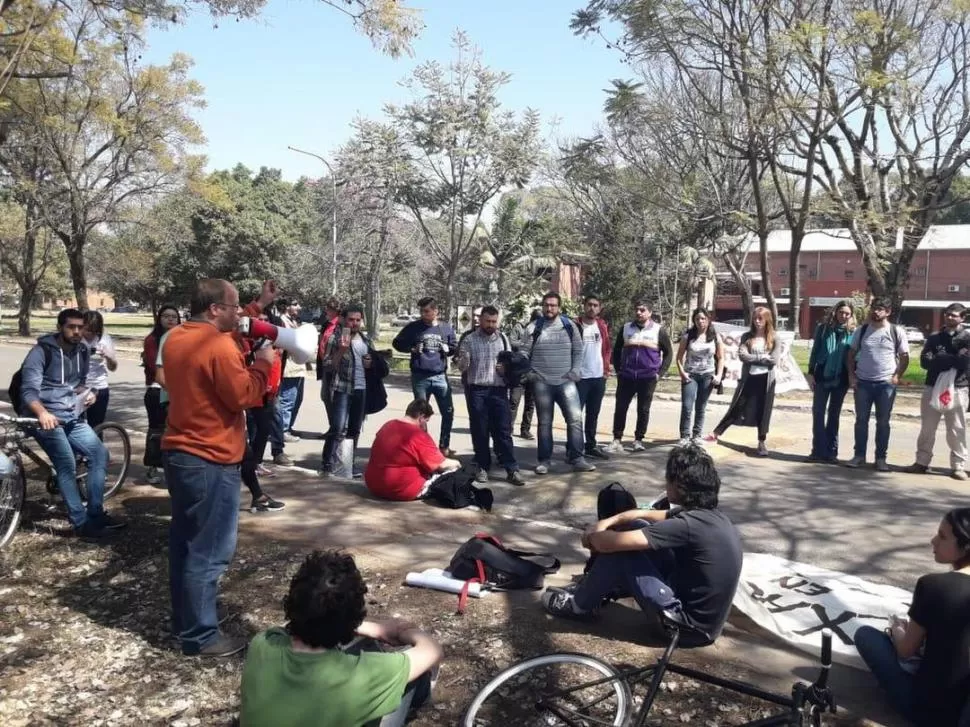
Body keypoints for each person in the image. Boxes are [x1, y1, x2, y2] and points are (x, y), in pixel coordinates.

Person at [162, 278, 275, 657]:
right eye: (234, 306)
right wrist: (263, 364)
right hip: (211, 458)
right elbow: (242, 395)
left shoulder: (177, 337)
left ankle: (186, 620)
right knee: (209, 551)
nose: (240, 312)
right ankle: (200, 636)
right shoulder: (218, 345)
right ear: (214, 309)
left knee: (184, 543)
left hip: (180, 452)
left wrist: (260, 306)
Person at [541, 445, 742, 645]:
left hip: (684, 629)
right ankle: (600, 587)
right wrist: (608, 522)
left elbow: (610, 545)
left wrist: (591, 537)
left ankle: (578, 606)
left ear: (679, 486)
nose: (666, 485)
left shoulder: (688, 525)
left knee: (621, 552)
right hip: (701, 622)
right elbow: (641, 514)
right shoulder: (710, 517)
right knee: (636, 526)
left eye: (667, 480)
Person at [241, 549, 443, 726]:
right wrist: (399, 630)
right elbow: (432, 650)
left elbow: (291, 626)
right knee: (414, 677)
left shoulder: (263, 644)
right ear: (353, 617)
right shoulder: (364, 675)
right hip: (362, 670)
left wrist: (368, 628)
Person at [854, 508, 970, 727]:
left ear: (965, 547)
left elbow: (906, 650)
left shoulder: (933, 585)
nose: (933, 541)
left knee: (865, 636)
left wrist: (897, 632)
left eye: (943, 537)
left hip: (930, 711)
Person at [20, 309, 124, 539]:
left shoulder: (83, 351)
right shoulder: (40, 352)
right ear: (60, 327)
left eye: (80, 327)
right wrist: (43, 414)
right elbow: (28, 391)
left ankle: (96, 514)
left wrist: (92, 392)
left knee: (99, 455)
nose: (77, 331)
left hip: (70, 415)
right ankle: (81, 523)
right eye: (71, 327)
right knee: (66, 463)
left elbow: (78, 384)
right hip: (44, 417)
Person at [521, 292, 594, 475]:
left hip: (566, 382)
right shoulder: (533, 328)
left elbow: (578, 350)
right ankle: (544, 460)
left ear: (559, 307)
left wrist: (576, 370)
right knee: (545, 423)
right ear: (542, 306)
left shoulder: (569, 326)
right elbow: (523, 354)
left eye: (553, 305)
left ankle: (577, 458)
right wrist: (530, 374)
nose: (549, 308)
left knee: (575, 420)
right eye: (546, 305)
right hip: (541, 383)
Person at [456, 305, 526, 485]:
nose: (490, 325)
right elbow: (462, 367)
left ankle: (511, 468)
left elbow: (510, 362)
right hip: (477, 390)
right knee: (480, 430)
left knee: (503, 431)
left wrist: (505, 369)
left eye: (494, 321)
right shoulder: (469, 339)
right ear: (480, 320)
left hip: (499, 390)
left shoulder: (502, 339)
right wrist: (463, 360)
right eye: (487, 321)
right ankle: (482, 466)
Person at [906, 303, 970, 481]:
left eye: (954, 315)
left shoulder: (967, 338)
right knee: (927, 428)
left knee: (957, 429)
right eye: (948, 314)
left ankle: (958, 466)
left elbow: (965, 364)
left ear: (962, 318)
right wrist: (953, 358)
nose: (950, 317)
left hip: (958, 387)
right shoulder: (934, 338)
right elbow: (925, 363)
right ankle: (922, 462)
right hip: (932, 386)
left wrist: (942, 358)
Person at [706, 306, 780, 456]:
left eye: (760, 318)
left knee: (763, 411)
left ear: (767, 320)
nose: (757, 321)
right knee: (737, 406)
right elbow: (743, 356)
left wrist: (758, 359)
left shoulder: (774, 337)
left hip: (766, 381)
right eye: (755, 318)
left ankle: (761, 442)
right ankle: (716, 433)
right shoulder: (747, 337)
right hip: (749, 379)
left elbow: (773, 360)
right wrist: (761, 358)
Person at [847, 297, 909, 471]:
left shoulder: (897, 332)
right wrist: (852, 377)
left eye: (880, 309)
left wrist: (897, 376)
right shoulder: (862, 330)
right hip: (863, 384)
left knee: (883, 422)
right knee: (861, 421)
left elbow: (904, 357)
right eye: (874, 308)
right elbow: (851, 354)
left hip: (885, 385)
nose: (876, 311)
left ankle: (881, 458)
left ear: (888, 312)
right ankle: (859, 456)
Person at [392, 297, 458, 457]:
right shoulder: (414, 328)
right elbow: (397, 343)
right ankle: (425, 448)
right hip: (420, 376)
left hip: (439, 376)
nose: (423, 314)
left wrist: (448, 349)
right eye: (421, 311)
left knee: (448, 412)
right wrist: (412, 349)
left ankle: (444, 446)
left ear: (436, 311)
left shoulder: (446, 328)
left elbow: (454, 347)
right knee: (421, 414)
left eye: (427, 311)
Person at [607, 299, 673, 453]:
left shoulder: (658, 330)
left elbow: (668, 353)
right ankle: (617, 439)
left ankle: (638, 440)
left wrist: (659, 373)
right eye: (637, 309)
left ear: (649, 312)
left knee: (643, 409)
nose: (639, 312)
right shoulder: (626, 329)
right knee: (620, 408)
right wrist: (619, 370)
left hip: (648, 377)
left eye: (642, 310)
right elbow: (616, 351)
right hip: (627, 376)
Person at [320, 304, 379, 476]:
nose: (354, 323)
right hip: (342, 388)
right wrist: (341, 351)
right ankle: (327, 464)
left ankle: (346, 465)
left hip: (361, 388)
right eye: (351, 319)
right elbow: (327, 366)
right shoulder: (335, 338)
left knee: (354, 429)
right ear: (344, 320)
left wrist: (371, 363)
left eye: (357, 320)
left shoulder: (365, 339)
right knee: (338, 428)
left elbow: (373, 363)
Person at [364, 399, 463, 501]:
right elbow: (442, 464)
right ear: (421, 417)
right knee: (454, 470)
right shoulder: (417, 435)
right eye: (426, 421)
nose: (426, 425)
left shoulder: (388, 425)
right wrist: (458, 464)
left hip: (373, 483)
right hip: (400, 489)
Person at [806, 301, 855, 463]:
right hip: (822, 376)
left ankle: (831, 452)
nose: (844, 316)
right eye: (841, 312)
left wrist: (852, 376)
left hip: (841, 379)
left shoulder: (854, 333)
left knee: (834, 415)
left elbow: (856, 356)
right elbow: (815, 352)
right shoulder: (823, 329)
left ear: (851, 315)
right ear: (835, 312)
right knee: (818, 413)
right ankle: (817, 451)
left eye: (847, 313)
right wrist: (811, 373)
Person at [142, 305, 180, 485]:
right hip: (157, 390)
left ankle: (169, 467)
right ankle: (152, 466)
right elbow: (153, 365)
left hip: (176, 391)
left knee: (171, 431)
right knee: (156, 430)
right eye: (166, 316)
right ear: (159, 319)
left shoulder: (182, 338)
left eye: (174, 317)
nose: (171, 320)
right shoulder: (152, 340)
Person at [675, 307, 724, 446]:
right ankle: (685, 436)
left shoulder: (715, 336)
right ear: (694, 321)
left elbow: (721, 358)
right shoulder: (688, 336)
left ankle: (697, 435)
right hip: (690, 375)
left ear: (708, 320)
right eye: (697, 319)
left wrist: (719, 375)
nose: (700, 322)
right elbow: (679, 358)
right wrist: (682, 373)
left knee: (701, 406)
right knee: (687, 406)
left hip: (707, 375)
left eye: (703, 318)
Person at [574, 295, 612, 460]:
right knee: (575, 416)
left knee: (593, 414)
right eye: (589, 305)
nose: (592, 308)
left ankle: (590, 446)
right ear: (584, 306)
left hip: (598, 377)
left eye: (595, 305)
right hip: (580, 378)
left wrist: (605, 371)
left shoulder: (601, 326)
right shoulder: (575, 325)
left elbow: (607, 349)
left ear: (599, 308)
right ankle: (573, 448)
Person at [80, 310, 117, 428]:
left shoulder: (104, 339)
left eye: (95, 331)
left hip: (99, 387)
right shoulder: (76, 338)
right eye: (87, 329)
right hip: (78, 388)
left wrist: (109, 357)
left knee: (97, 427)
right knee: (75, 427)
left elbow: (113, 367)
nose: (91, 334)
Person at [277, 298, 306, 442]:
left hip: (298, 366)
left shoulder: (294, 321)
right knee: (288, 399)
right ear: (286, 306)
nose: (298, 307)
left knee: (297, 399)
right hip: (289, 368)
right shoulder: (282, 321)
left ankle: (288, 426)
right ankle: (282, 430)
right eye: (295, 304)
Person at [509, 309, 539, 440]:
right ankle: (508, 428)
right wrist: (525, 344)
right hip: (519, 371)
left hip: (534, 371)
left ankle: (525, 429)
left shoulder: (542, 331)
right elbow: (511, 342)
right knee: (514, 401)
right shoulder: (520, 327)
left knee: (530, 403)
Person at [316, 296, 343, 427]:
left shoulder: (340, 325)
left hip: (335, 366)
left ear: (335, 310)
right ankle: (333, 426)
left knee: (333, 398)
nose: (325, 311)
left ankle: (337, 427)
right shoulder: (326, 324)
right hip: (325, 365)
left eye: (328, 308)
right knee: (326, 396)